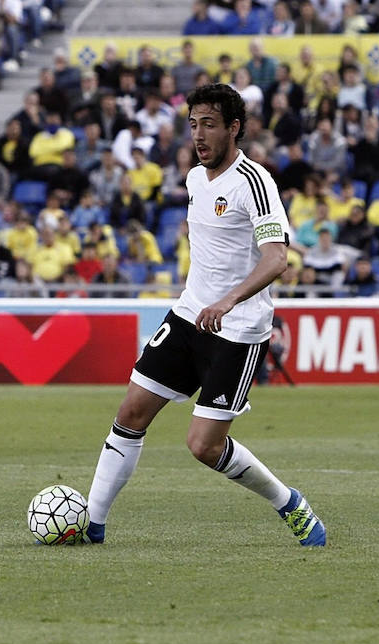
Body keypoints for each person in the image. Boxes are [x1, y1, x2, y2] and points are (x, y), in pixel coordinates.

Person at [84, 84, 326, 548]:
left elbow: (278, 258)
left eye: (209, 124)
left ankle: (289, 503)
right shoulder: (195, 178)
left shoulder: (255, 182)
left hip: (237, 330)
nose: (199, 135)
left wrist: (227, 301)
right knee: (131, 412)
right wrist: (203, 299)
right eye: (193, 124)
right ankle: (91, 524)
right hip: (189, 315)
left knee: (203, 446)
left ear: (234, 128)